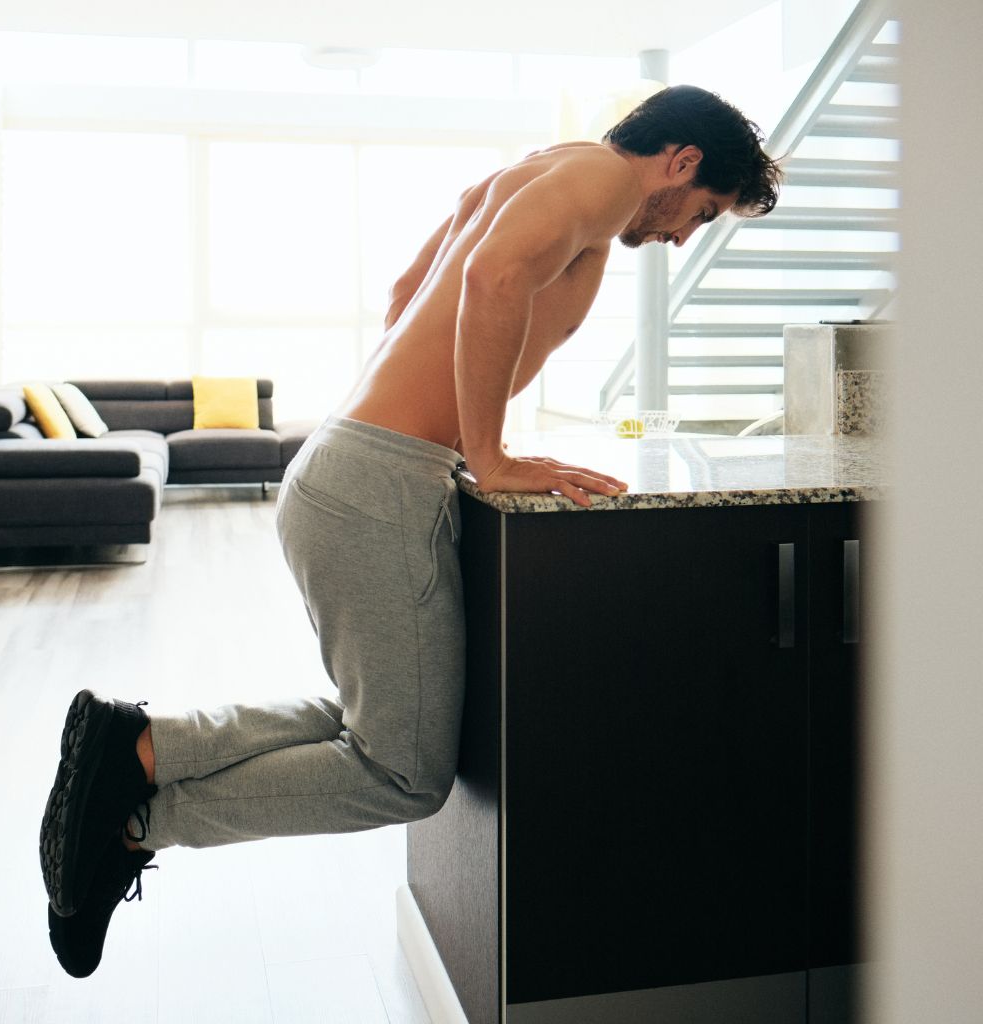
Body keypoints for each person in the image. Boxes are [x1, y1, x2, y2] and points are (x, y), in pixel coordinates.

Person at [39, 84, 781, 977]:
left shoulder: (535, 171)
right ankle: (130, 824)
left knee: (385, 725)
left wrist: (432, 430)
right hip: (374, 483)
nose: (681, 236)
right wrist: (486, 451)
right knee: (404, 773)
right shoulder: (598, 179)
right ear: (683, 162)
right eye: (701, 214)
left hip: (352, 466)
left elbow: (406, 297)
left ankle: (139, 745)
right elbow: (491, 279)